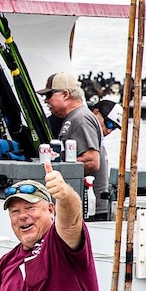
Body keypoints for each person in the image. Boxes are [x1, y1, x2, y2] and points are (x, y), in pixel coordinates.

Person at [39, 74, 109, 203]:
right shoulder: (75, 117)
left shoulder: (80, 119)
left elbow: (91, 162)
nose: (46, 101)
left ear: (65, 94)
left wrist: (53, 172)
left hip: (88, 206)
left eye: (49, 95)